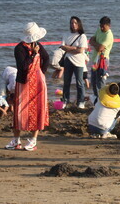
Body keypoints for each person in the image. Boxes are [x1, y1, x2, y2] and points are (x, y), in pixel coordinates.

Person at [6, 22, 50, 151]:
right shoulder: (19, 48)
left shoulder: (38, 45)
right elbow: (23, 66)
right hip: (24, 82)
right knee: (19, 111)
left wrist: (41, 72)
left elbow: (46, 58)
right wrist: (32, 54)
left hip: (38, 82)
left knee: (37, 110)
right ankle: (16, 140)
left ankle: (33, 140)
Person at [60, 16, 88, 109]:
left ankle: (81, 101)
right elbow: (63, 47)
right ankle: (65, 100)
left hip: (79, 62)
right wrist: (75, 48)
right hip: (68, 60)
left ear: (79, 24)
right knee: (66, 82)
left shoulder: (82, 36)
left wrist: (71, 48)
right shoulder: (66, 34)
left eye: (75, 23)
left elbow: (81, 51)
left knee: (79, 83)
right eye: (72, 23)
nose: (73, 25)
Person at [89, 17, 114, 96]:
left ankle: (102, 99)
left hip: (103, 61)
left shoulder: (109, 35)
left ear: (108, 25)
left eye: (103, 26)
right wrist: (97, 45)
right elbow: (91, 40)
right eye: (100, 26)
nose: (101, 28)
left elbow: (100, 48)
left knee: (101, 82)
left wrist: (95, 44)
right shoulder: (99, 30)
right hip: (95, 60)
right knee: (93, 81)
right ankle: (96, 98)